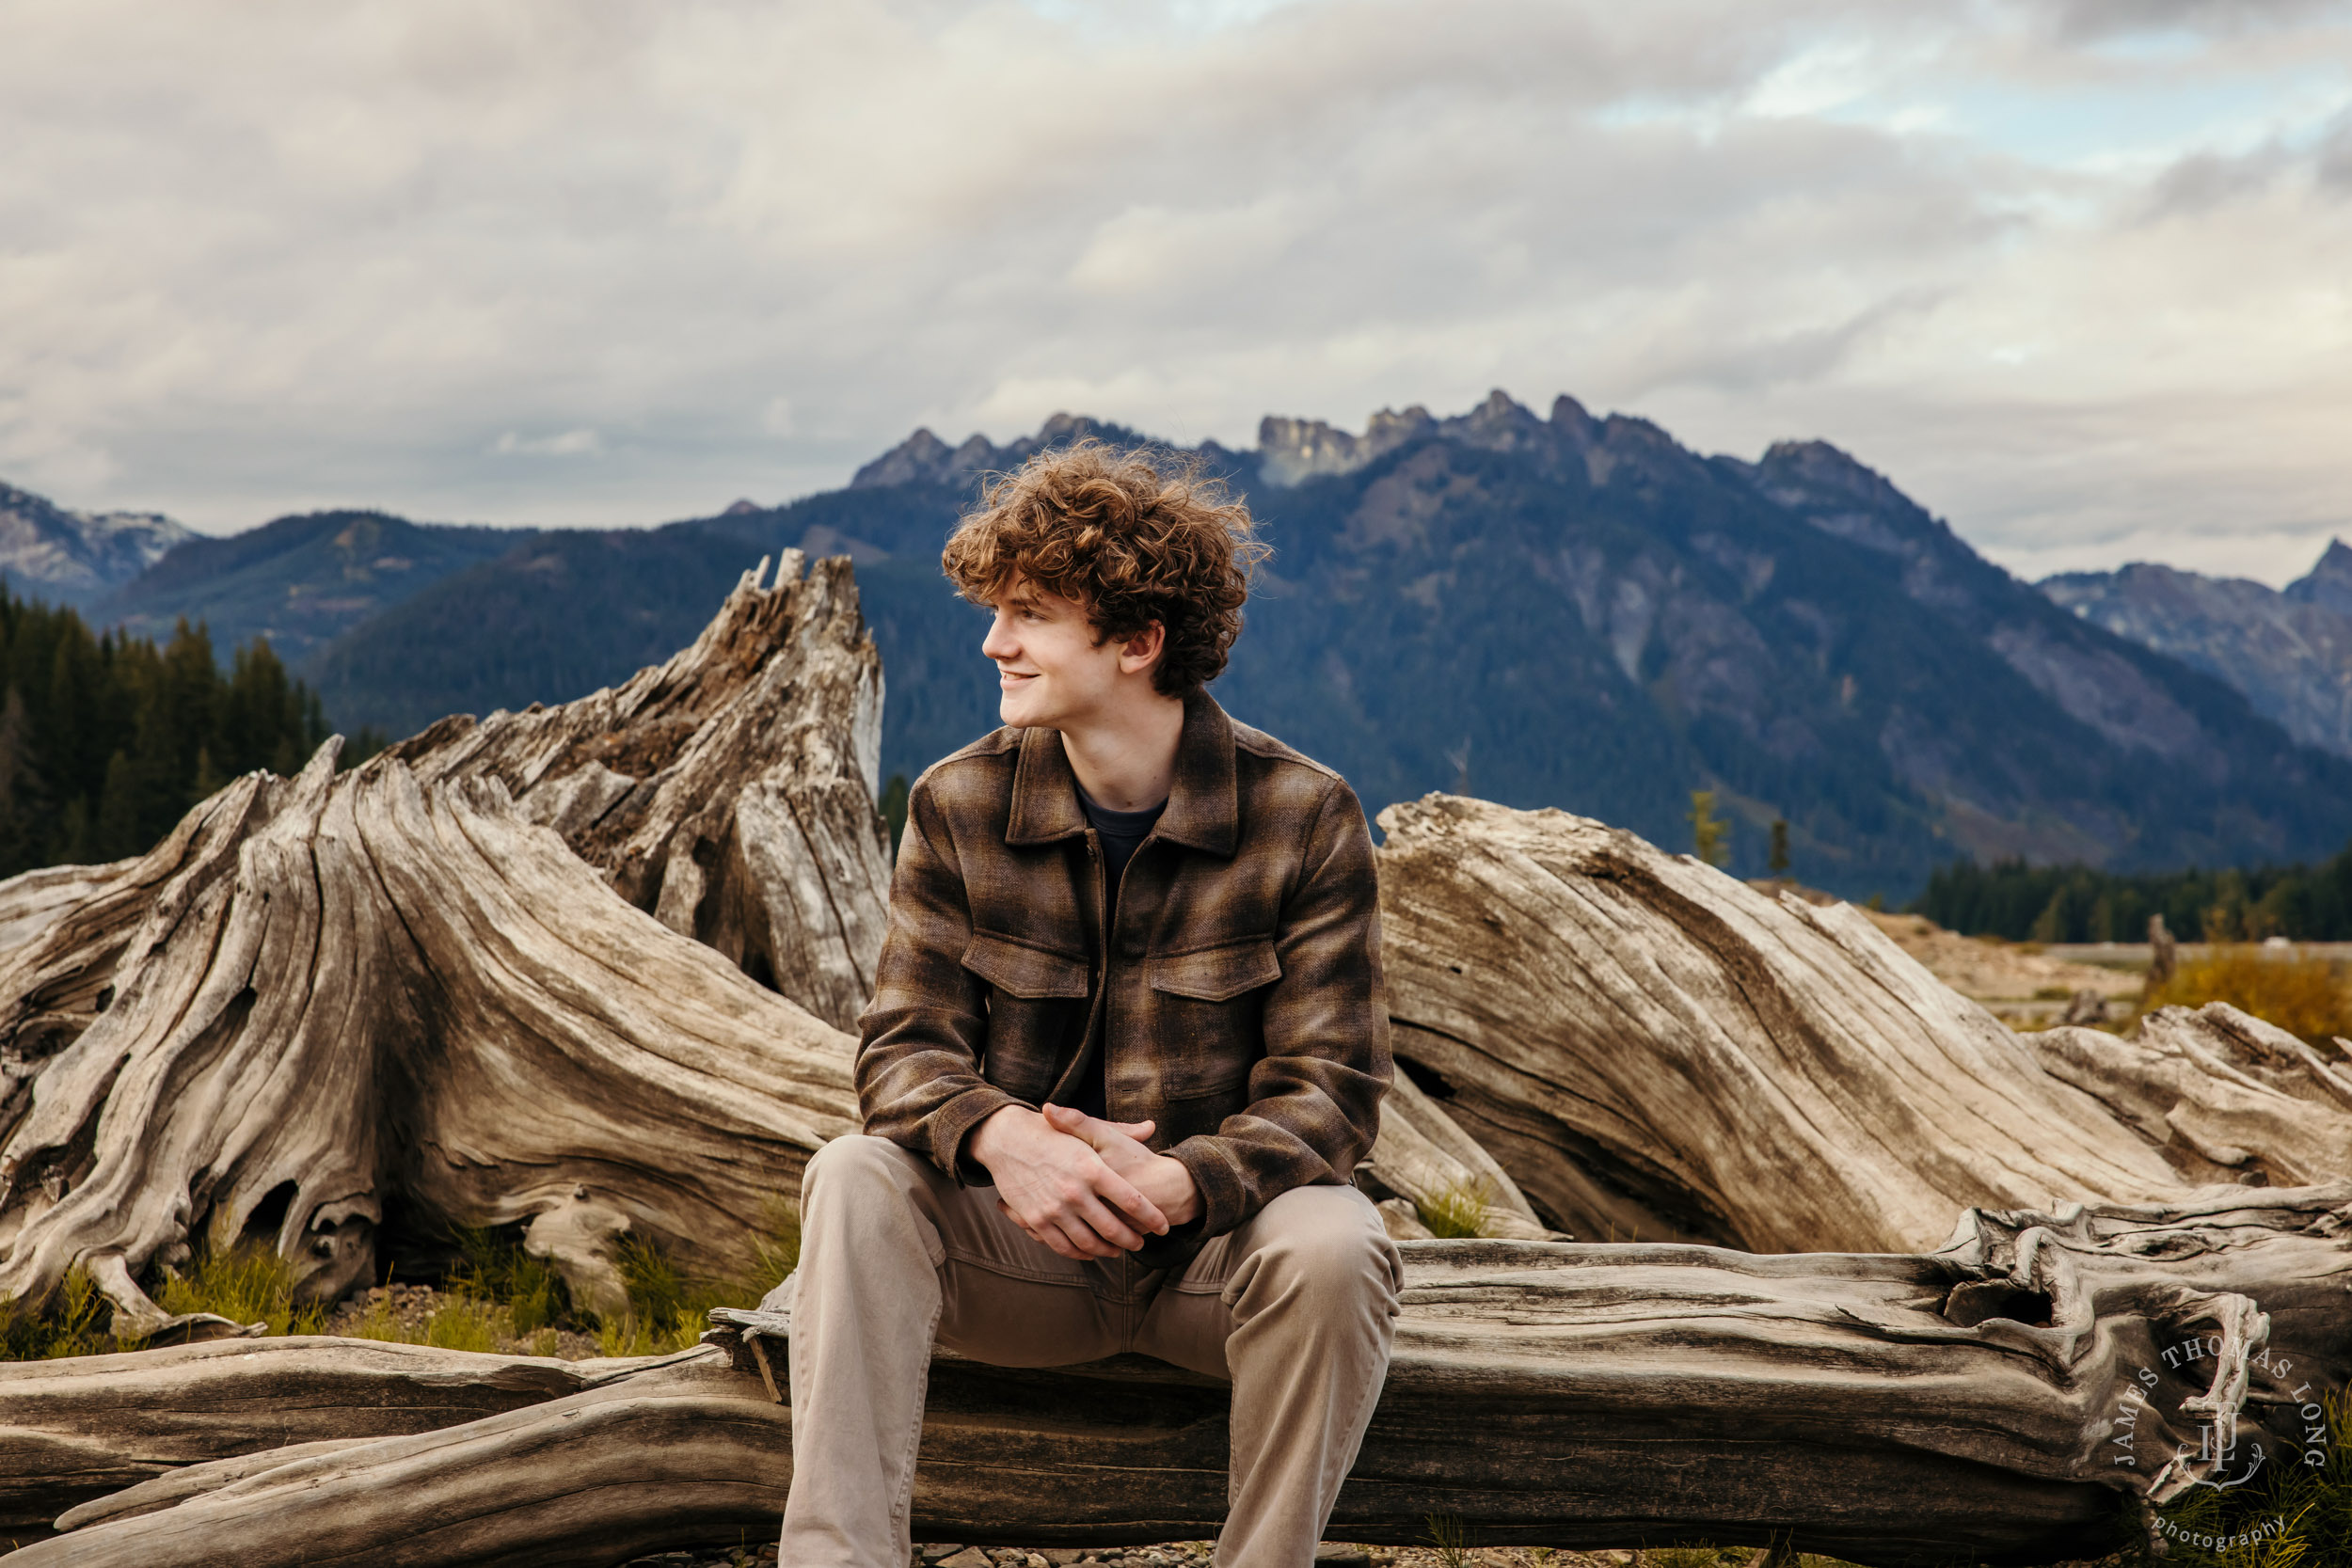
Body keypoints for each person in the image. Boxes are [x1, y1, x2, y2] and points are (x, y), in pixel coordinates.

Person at [776, 438, 1400, 1568]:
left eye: (1027, 614)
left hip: (1212, 1270)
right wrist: (1005, 1137)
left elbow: (1333, 1095)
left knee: (1337, 1239)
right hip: (1020, 1262)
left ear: (1135, 641)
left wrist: (1184, 1178)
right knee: (853, 1174)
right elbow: (902, 1051)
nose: (992, 640)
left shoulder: (1304, 815)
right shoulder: (959, 802)